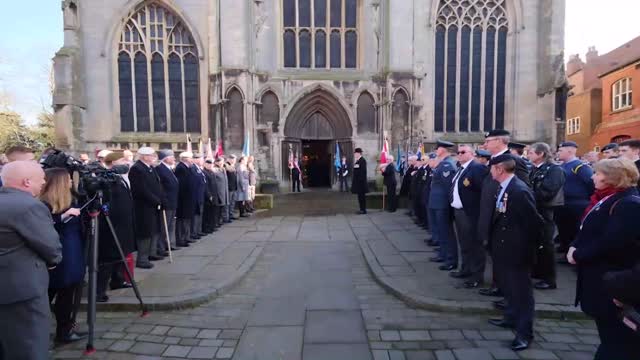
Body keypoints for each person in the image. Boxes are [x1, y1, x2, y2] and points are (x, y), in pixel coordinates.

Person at [568, 158, 640, 359]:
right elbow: (588, 228)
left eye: (598, 173)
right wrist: (574, 245)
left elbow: (612, 241)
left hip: (611, 281)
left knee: (616, 341)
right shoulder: (606, 198)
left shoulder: (628, 204)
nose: (593, 176)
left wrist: (578, 254)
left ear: (613, 177)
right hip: (598, 277)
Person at [0, 161, 62, 360]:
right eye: (41, 179)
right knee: (30, 344)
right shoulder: (29, 206)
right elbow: (50, 247)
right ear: (27, 182)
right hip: (23, 289)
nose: (44, 182)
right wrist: (54, 261)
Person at [486, 154, 543, 351]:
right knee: (509, 289)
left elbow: (534, 223)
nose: (490, 171)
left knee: (521, 294)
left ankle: (524, 333)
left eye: (492, 168)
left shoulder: (519, 190)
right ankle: (510, 318)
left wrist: (526, 250)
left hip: (517, 252)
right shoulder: (505, 187)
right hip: (503, 248)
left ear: (499, 169)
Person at [477, 129, 530, 298]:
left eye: (489, 141)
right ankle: (498, 286)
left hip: (502, 218)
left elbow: (521, 189)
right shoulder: (493, 160)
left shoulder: (513, 160)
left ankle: (504, 290)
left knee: (503, 258)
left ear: (499, 141)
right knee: (494, 255)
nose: (485, 144)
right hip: (489, 215)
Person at [39, 168, 87, 344]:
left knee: (68, 292)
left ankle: (64, 330)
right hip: (60, 252)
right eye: (68, 180)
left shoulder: (70, 199)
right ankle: (49, 332)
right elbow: (43, 226)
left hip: (73, 250)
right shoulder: (43, 204)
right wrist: (63, 216)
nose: (71, 182)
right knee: (54, 291)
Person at [97, 152, 136, 302]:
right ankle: (99, 290)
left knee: (121, 255)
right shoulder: (107, 179)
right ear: (112, 163)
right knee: (108, 258)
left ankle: (117, 280)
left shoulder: (120, 178)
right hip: (112, 225)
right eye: (122, 160)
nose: (126, 163)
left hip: (124, 224)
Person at [449, 144, 489, 288]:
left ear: (472, 154)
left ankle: (477, 277)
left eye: (463, 152)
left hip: (471, 213)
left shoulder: (477, 168)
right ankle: (465, 269)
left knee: (475, 246)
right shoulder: (461, 168)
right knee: (464, 244)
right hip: (459, 211)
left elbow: (483, 192)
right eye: (458, 152)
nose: (459, 154)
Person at [528, 142, 565, 290]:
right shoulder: (535, 169)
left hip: (545, 211)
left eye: (531, 152)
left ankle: (549, 279)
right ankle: (538, 273)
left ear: (541, 153)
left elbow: (548, 191)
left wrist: (527, 198)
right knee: (537, 244)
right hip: (535, 210)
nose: (528, 155)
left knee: (546, 245)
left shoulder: (554, 170)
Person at [555, 141, 594, 256]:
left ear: (570, 151)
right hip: (563, 202)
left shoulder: (580, 167)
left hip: (577, 203)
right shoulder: (562, 166)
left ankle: (573, 253)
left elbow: (590, 183)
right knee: (564, 228)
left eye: (561, 150)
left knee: (574, 229)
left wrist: (585, 199)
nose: (558, 153)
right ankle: (565, 247)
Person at [128, 147, 165, 268]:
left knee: (153, 230)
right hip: (143, 207)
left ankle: (151, 253)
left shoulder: (150, 168)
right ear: (144, 156)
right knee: (145, 233)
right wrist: (155, 200)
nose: (153, 157)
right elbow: (141, 190)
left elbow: (157, 185)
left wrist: (160, 199)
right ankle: (142, 259)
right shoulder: (137, 169)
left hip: (153, 205)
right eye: (151, 155)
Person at [428, 140, 458, 271]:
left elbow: (448, 187)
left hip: (443, 205)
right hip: (436, 203)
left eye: (437, 148)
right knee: (441, 231)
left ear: (443, 150)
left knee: (446, 232)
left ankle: (450, 259)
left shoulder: (447, 165)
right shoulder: (442, 164)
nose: (435, 150)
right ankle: (443, 254)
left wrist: (448, 204)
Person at [155, 149, 180, 251]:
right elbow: (161, 188)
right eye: (172, 157)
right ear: (165, 158)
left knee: (171, 225)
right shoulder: (160, 169)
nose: (174, 158)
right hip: (167, 202)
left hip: (173, 201)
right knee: (164, 227)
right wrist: (163, 201)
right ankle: (161, 247)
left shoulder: (169, 169)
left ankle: (169, 244)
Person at [175, 152, 196, 247]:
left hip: (188, 198)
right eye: (191, 158)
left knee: (187, 219)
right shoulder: (181, 168)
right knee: (182, 220)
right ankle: (181, 239)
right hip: (183, 199)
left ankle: (186, 237)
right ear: (185, 159)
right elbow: (182, 185)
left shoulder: (188, 168)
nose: (192, 160)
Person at [190, 153, 207, 239]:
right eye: (201, 159)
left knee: (200, 215)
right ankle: (194, 232)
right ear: (196, 159)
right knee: (195, 216)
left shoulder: (199, 169)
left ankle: (198, 231)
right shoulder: (193, 169)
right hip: (196, 196)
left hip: (201, 196)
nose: (202, 161)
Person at [202, 159, 220, 233]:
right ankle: (206, 228)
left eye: (211, 164)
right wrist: (209, 195)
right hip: (209, 196)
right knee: (207, 213)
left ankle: (212, 226)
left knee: (213, 212)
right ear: (205, 164)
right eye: (208, 164)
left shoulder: (211, 172)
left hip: (214, 194)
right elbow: (206, 186)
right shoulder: (204, 172)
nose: (210, 165)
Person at [213, 157, 230, 227]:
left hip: (224, 191)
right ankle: (217, 221)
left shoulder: (223, 169)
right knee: (218, 208)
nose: (222, 163)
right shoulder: (215, 170)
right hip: (219, 191)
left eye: (223, 162)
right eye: (220, 162)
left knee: (223, 206)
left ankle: (222, 219)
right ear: (216, 162)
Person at [351, 148, 368, 214]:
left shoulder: (362, 161)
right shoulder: (358, 161)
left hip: (361, 183)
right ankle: (361, 209)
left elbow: (363, 172)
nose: (354, 154)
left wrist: (359, 181)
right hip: (358, 183)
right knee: (360, 197)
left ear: (358, 153)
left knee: (362, 197)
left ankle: (363, 210)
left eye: (355, 153)